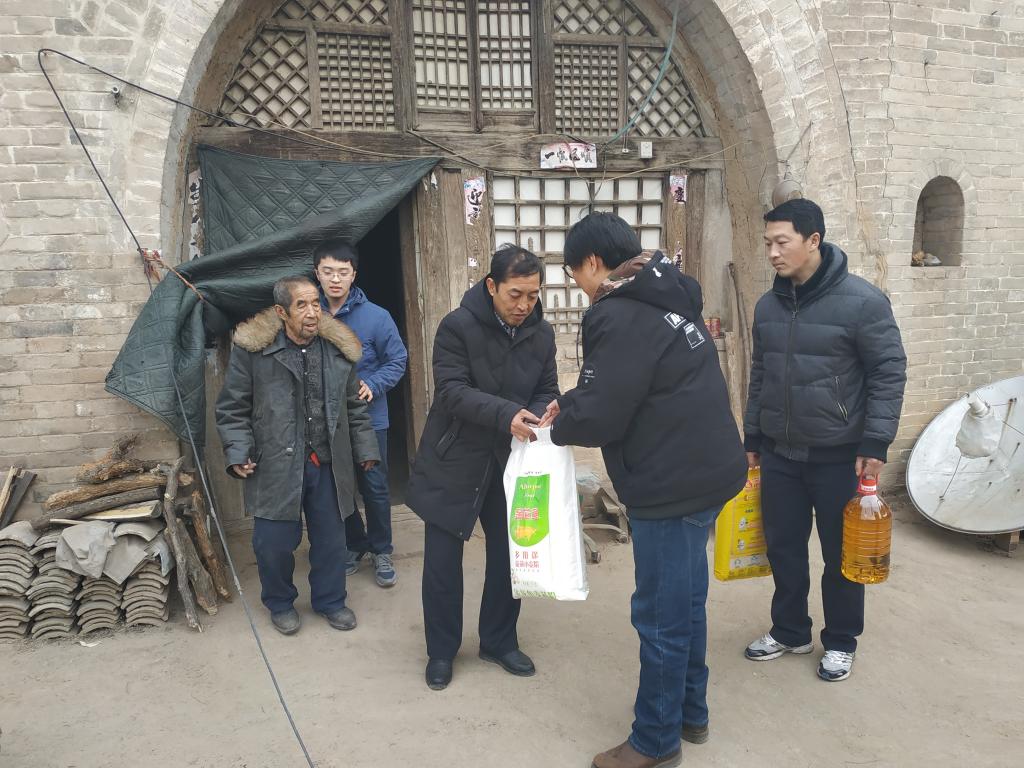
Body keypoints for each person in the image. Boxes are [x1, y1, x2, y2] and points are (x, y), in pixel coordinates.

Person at [541, 212, 747, 768]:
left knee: (659, 614)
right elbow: (627, 386)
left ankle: (655, 741)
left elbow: (604, 412)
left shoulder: (619, 312)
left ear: (592, 262)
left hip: (670, 483)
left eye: (575, 276)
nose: (580, 289)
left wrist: (557, 426)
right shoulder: (666, 293)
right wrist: (574, 403)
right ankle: (691, 712)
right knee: (687, 602)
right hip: (708, 472)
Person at [742, 198, 906, 682]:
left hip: (840, 457)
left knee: (841, 555)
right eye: (767, 243)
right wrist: (753, 433)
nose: (773, 252)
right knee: (784, 548)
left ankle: (841, 641)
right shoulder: (767, 306)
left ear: (813, 240)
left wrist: (875, 442)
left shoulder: (863, 302)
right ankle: (790, 630)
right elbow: (760, 374)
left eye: (782, 242)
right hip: (780, 453)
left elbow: (888, 372)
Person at [406, 244, 559, 691]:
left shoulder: (541, 334)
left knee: (511, 556)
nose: (524, 305)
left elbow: (546, 387)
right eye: (515, 294)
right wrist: (507, 414)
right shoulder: (457, 326)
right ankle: (441, 651)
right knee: (442, 561)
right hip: (454, 456)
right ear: (492, 286)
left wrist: (536, 415)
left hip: (511, 459)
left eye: (533, 295)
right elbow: (452, 391)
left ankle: (498, 640)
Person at [215, 276, 380, 635]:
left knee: (331, 541)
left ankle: (331, 601)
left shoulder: (337, 351)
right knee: (272, 544)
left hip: (327, 463)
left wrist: (366, 449)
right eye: (301, 305)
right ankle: (280, 603)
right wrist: (238, 451)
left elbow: (353, 407)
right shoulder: (254, 352)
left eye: (316, 304)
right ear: (281, 312)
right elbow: (233, 408)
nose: (312, 312)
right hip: (276, 462)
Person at [314, 241, 409, 588]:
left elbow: (397, 360)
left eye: (343, 272)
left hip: (370, 418)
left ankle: (381, 550)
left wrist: (374, 383)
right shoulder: (309, 315)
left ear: (354, 274)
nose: (335, 279)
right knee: (337, 486)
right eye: (328, 272)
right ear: (317, 274)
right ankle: (355, 543)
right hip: (325, 419)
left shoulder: (376, 317)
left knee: (375, 486)